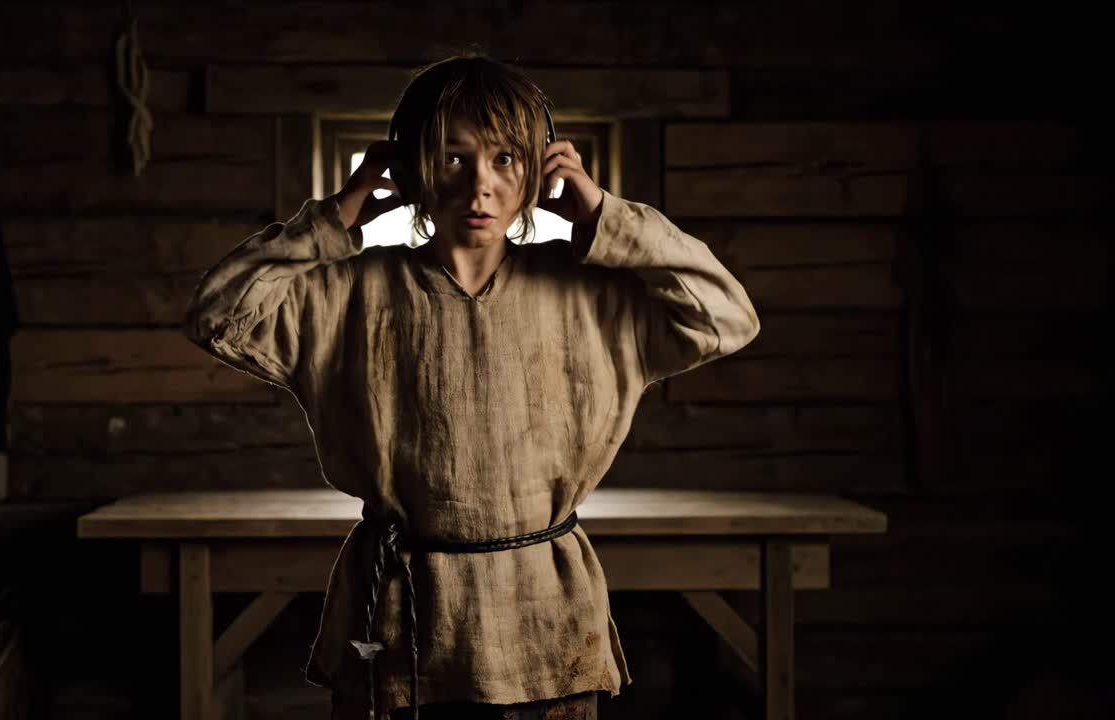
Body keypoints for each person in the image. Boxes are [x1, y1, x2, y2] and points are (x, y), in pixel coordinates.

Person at [182, 53, 760, 720]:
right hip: (399, 615)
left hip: (544, 620)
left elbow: (726, 317)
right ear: (408, 170)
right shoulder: (344, 293)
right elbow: (217, 314)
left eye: (505, 160)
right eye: (453, 158)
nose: (478, 186)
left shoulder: (595, 293)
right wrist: (332, 222)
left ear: (540, 172)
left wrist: (606, 216)